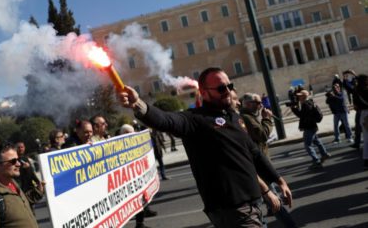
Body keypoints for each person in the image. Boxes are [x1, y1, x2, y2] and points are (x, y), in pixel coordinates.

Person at [117, 67, 292, 227]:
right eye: (221, 89)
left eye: (228, 86)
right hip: (232, 211)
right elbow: (167, 120)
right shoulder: (195, 120)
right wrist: (138, 104)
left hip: (253, 205)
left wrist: (279, 180)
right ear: (203, 93)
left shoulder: (234, 117)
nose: (228, 92)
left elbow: (254, 154)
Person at [240, 93, 297, 228]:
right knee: (274, 200)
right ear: (248, 104)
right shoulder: (247, 118)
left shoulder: (250, 117)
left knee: (263, 202)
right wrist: (267, 119)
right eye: (258, 103)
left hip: (260, 164)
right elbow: (262, 135)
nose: (261, 105)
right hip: (258, 168)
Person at [290, 90, 331, 169]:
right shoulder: (310, 102)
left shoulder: (305, 104)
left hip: (309, 127)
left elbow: (302, 115)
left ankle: (316, 161)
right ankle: (324, 154)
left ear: (303, 96)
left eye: (300, 96)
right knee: (316, 141)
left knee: (308, 145)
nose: (298, 97)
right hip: (312, 126)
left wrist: (294, 109)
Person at [354, 74, 368, 169]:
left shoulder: (356, 91)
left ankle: (366, 160)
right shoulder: (366, 90)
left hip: (362, 115)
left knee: (366, 139)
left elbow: (355, 106)